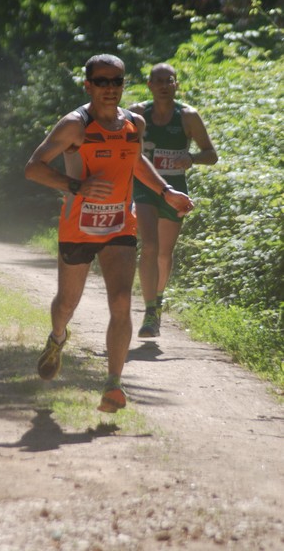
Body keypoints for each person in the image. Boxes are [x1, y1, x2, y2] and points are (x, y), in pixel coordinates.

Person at [24, 54, 194, 413]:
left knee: (120, 302)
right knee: (66, 304)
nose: (110, 88)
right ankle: (57, 338)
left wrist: (166, 191)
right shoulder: (75, 125)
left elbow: (135, 162)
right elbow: (33, 168)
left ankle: (113, 385)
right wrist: (77, 186)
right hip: (79, 227)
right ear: (88, 85)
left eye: (117, 81)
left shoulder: (134, 122)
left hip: (119, 224)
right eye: (102, 82)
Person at [129, 63, 218, 338]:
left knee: (164, 252)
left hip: (176, 190)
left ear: (176, 85)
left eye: (170, 81)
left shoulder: (188, 116)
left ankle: (158, 299)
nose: (165, 85)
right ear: (149, 85)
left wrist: (190, 158)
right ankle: (150, 311)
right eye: (159, 81)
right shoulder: (137, 113)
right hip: (144, 187)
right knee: (150, 246)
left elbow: (211, 154)